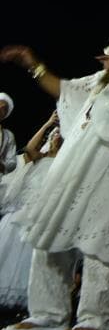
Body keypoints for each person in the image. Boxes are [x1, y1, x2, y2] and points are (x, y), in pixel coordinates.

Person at [0, 18, 109, 330]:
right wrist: (32, 63)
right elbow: (66, 90)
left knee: (101, 235)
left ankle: (97, 318)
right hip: (79, 157)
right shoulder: (103, 76)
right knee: (52, 227)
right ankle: (47, 313)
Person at [0, 111, 62, 309]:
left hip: (42, 214)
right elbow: (29, 148)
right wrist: (48, 124)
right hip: (22, 209)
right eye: (54, 135)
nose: (56, 137)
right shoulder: (40, 156)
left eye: (60, 135)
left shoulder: (65, 162)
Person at [0, 93, 17, 175]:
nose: (0, 108)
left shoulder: (8, 135)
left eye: (4, 108)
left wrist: (2, 166)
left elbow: (12, 162)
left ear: (5, 114)